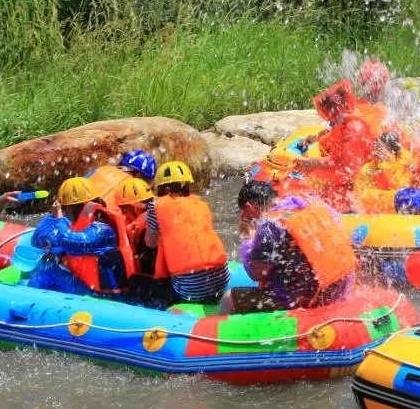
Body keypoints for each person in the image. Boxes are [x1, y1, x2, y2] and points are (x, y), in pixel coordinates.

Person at [237, 180, 357, 310]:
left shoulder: (270, 225)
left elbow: (257, 274)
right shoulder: (310, 203)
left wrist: (248, 237)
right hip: (338, 289)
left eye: (244, 212)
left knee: (229, 299)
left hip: (305, 300)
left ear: (250, 207)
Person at [29, 177, 132, 296]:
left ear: (79, 207)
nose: (65, 213)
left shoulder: (104, 229)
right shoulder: (78, 225)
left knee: (48, 271)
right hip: (87, 287)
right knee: (48, 261)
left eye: (66, 209)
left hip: (103, 296)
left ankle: (27, 301)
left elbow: (72, 244)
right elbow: (36, 240)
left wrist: (59, 217)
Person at [145, 161, 230, 304]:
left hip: (190, 288)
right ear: (187, 183)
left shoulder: (155, 206)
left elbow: (150, 243)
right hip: (222, 280)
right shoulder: (201, 204)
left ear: (160, 186)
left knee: (147, 287)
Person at [295, 80, 376, 211]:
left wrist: (313, 163)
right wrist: (312, 139)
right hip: (349, 176)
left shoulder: (354, 129)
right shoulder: (344, 119)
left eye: (328, 113)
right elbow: (330, 130)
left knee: (320, 199)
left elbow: (346, 171)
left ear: (336, 109)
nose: (327, 118)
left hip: (359, 184)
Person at [352, 132, 418, 213]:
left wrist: (389, 166)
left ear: (394, 153)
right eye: (376, 148)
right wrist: (390, 198)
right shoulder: (368, 168)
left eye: (382, 151)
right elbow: (362, 196)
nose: (377, 153)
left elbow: (404, 192)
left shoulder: (406, 165)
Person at [88, 149, 158, 208]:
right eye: (146, 182)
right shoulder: (132, 188)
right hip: (101, 220)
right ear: (138, 175)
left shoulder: (99, 169)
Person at [114, 177, 155, 276]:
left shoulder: (136, 228)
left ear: (131, 207)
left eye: (123, 209)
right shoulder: (161, 210)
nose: (124, 213)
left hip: (152, 279)